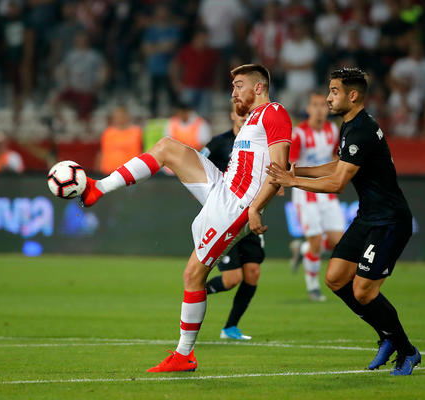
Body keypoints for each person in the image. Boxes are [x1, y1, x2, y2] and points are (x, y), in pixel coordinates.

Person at [81, 64, 291, 372]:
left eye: (239, 85)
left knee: (193, 275)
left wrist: (256, 208)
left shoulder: (274, 113)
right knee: (167, 146)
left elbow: (279, 170)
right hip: (223, 187)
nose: (233, 92)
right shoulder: (252, 119)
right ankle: (97, 188)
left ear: (259, 87)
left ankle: (184, 354)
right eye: (232, 86)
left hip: (237, 206)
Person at [267, 68, 420, 376]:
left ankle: (406, 350)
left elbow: (337, 183)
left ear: (352, 95)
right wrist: (299, 171)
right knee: (336, 278)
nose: (328, 98)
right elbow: (340, 164)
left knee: (363, 291)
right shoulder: (350, 125)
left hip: (389, 221)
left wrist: (292, 181)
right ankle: (387, 336)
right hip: (368, 216)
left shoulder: (362, 129)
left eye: (334, 92)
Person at [201, 103, 263, 341]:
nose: (245, 116)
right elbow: (197, 165)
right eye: (240, 112)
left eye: (249, 113)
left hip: (249, 215)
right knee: (231, 279)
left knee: (252, 272)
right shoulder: (219, 143)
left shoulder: (258, 144)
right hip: (224, 217)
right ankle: (196, 291)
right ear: (231, 115)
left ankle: (230, 328)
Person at [288, 93, 345, 302]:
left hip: (326, 192)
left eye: (323, 105)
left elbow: (335, 157)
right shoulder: (299, 134)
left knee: (338, 242)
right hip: (305, 194)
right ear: (308, 109)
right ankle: (313, 288)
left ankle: (302, 249)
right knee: (316, 242)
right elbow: (291, 165)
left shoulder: (333, 130)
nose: (320, 109)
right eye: (315, 105)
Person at [98, 106, 143, 175]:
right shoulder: (107, 133)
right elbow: (102, 152)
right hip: (109, 172)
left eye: (121, 116)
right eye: (117, 116)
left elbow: (144, 150)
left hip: (131, 172)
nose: (119, 119)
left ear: (127, 117)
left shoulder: (137, 132)